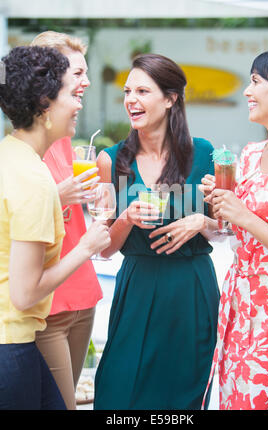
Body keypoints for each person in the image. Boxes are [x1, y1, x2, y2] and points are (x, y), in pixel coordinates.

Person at [93, 53, 220, 410]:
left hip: (191, 291)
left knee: (182, 398)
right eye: (127, 91)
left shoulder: (206, 154)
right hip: (137, 287)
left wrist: (203, 222)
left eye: (143, 91)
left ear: (170, 98)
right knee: (119, 392)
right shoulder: (112, 159)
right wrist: (126, 218)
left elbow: (229, 229)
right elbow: (103, 249)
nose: (131, 100)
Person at [0, 45, 111, 410]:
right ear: (45, 104)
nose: (79, 102)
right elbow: (25, 293)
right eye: (70, 92)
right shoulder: (34, 179)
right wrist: (86, 248)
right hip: (11, 345)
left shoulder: (9, 154)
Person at [202, 46, 268, 410]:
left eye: (256, 81)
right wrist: (218, 209)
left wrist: (244, 215)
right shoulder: (251, 155)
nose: (246, 90)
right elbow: (231, 230)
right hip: (241, 307)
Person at [30, 31, 102, 410]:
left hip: (84, 297)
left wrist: (90, 198)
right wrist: (62, 195)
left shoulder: (64, 140)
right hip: (49, 305)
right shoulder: (27, 149)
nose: (86, 82)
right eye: (77, 73)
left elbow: (70, 216)